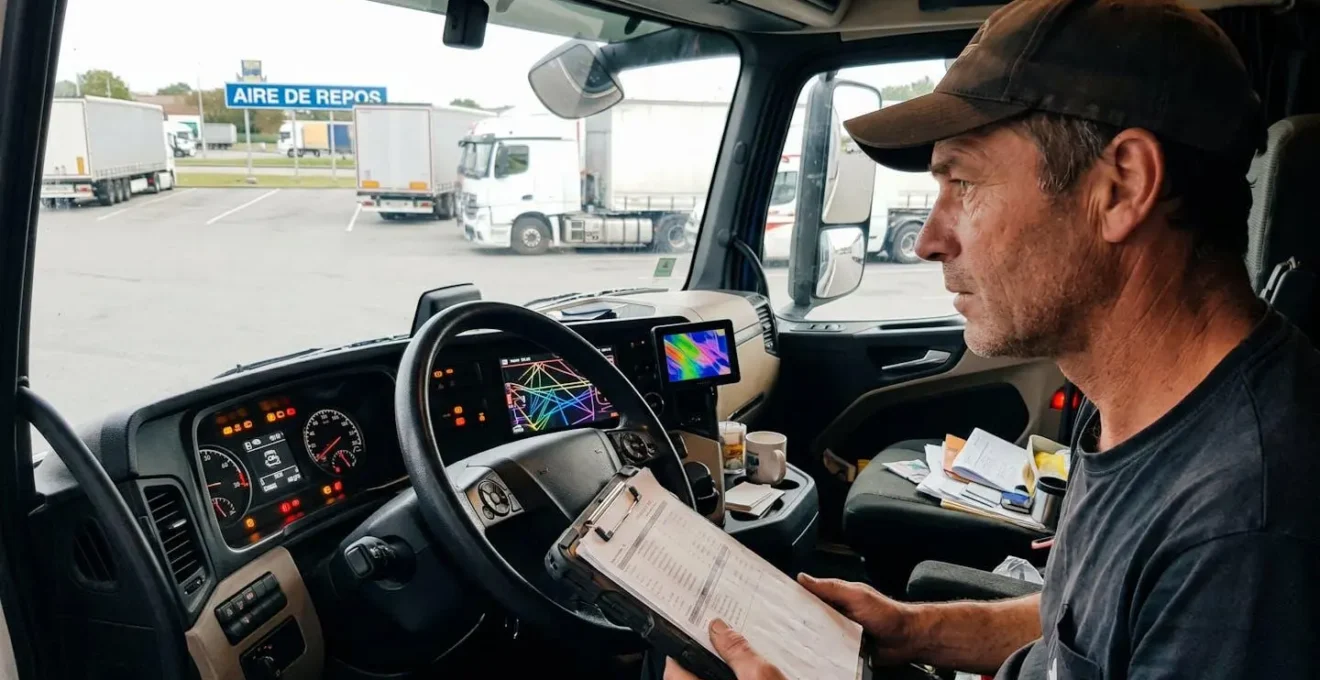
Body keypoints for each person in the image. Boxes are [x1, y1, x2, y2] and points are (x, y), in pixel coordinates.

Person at [665, 0, 1320, 677]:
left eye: (964, 183)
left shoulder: (1250, 530)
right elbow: (1083, 620)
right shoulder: (1132, 401)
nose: (927, 240)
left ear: (1122, 187)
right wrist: (910, 631)